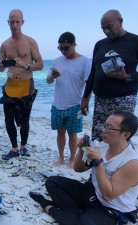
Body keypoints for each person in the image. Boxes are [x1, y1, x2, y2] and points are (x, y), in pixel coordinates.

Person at [30, 110, 138, 225]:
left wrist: (98, 161)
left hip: (112, 208)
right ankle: (78, 216)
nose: (103, 131)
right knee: (52, 182)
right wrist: (81, 149)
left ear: (126, 134)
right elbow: (78, 169)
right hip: (91, 193)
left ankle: (48, 207)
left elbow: (108, 195)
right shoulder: (103, 145)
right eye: (104, 125)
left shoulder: (133, 163)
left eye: (109, 128)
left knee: (83, 222)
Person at [81, 9, 138, 141]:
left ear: (120, 21)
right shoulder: (100, 44)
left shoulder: (136, 41)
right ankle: (100, 162)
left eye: (109, 27)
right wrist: (85, 98)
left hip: (124, 98)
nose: (106, 31)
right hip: (100, 99)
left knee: (119, 138)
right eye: (103, 28)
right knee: (99, 136)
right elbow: (93, 73)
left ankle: (127, 162)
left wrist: (127, 76)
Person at [0, 9, 43, 160]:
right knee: (8, 119)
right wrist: (1, 65)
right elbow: (0, 69)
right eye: (12, 21)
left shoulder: (30, 42)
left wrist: (27, 66)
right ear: (8, 23)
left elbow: (41, 64)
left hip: (26, 84)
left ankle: (23, 147)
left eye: (17, 21)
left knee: (25, 119)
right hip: (10, 84)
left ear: (22, 22)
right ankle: (14, 149)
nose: (15, 24)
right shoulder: (4, 44)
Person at [46, 32, 91, 168]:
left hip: (75, 104)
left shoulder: (84, 61)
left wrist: (86, 102)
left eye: (66, 48)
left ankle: (72, 159)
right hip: (58, 104)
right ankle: (61, 157)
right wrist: (52, 77)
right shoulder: (57, 61)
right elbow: (48, 81)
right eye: (60, 48)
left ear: (74, 45)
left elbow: (89, 84)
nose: (63, 51)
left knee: (72, 134)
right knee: (60, 132)